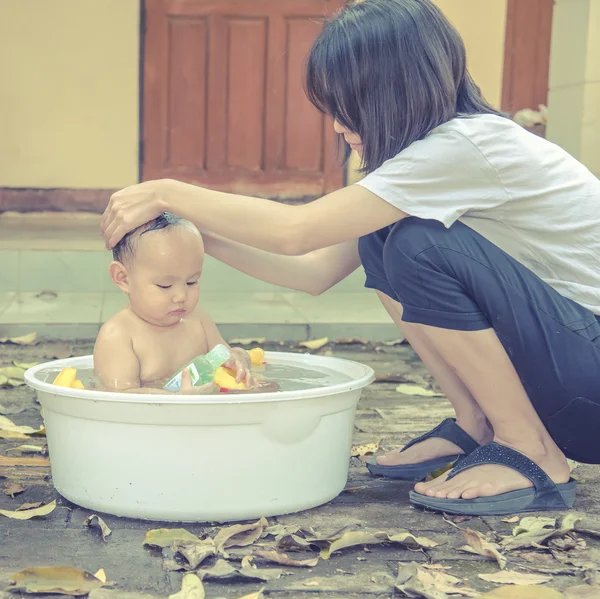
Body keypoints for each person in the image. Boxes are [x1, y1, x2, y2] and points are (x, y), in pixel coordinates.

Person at [100, 0, 600, 515]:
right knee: (382, 240)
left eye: (349, 105)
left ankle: (530, 448)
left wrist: (167, 192)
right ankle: (479, 423)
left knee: (416, 245)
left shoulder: (463, 147)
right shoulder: (427, 162)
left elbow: (296, 232)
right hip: (571, 370)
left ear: (398, 91)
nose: (338, 125)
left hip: (590, 378)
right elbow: (311, 271)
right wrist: (197, 235)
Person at [94, 213, 256, 394]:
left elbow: (225, 356)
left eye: (192, 282)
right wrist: (176, 400)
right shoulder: (118, 336)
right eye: (165, 285)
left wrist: (239, 358)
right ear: (123, 278)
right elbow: (119, 397)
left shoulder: (198, 320)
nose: (181, 296)